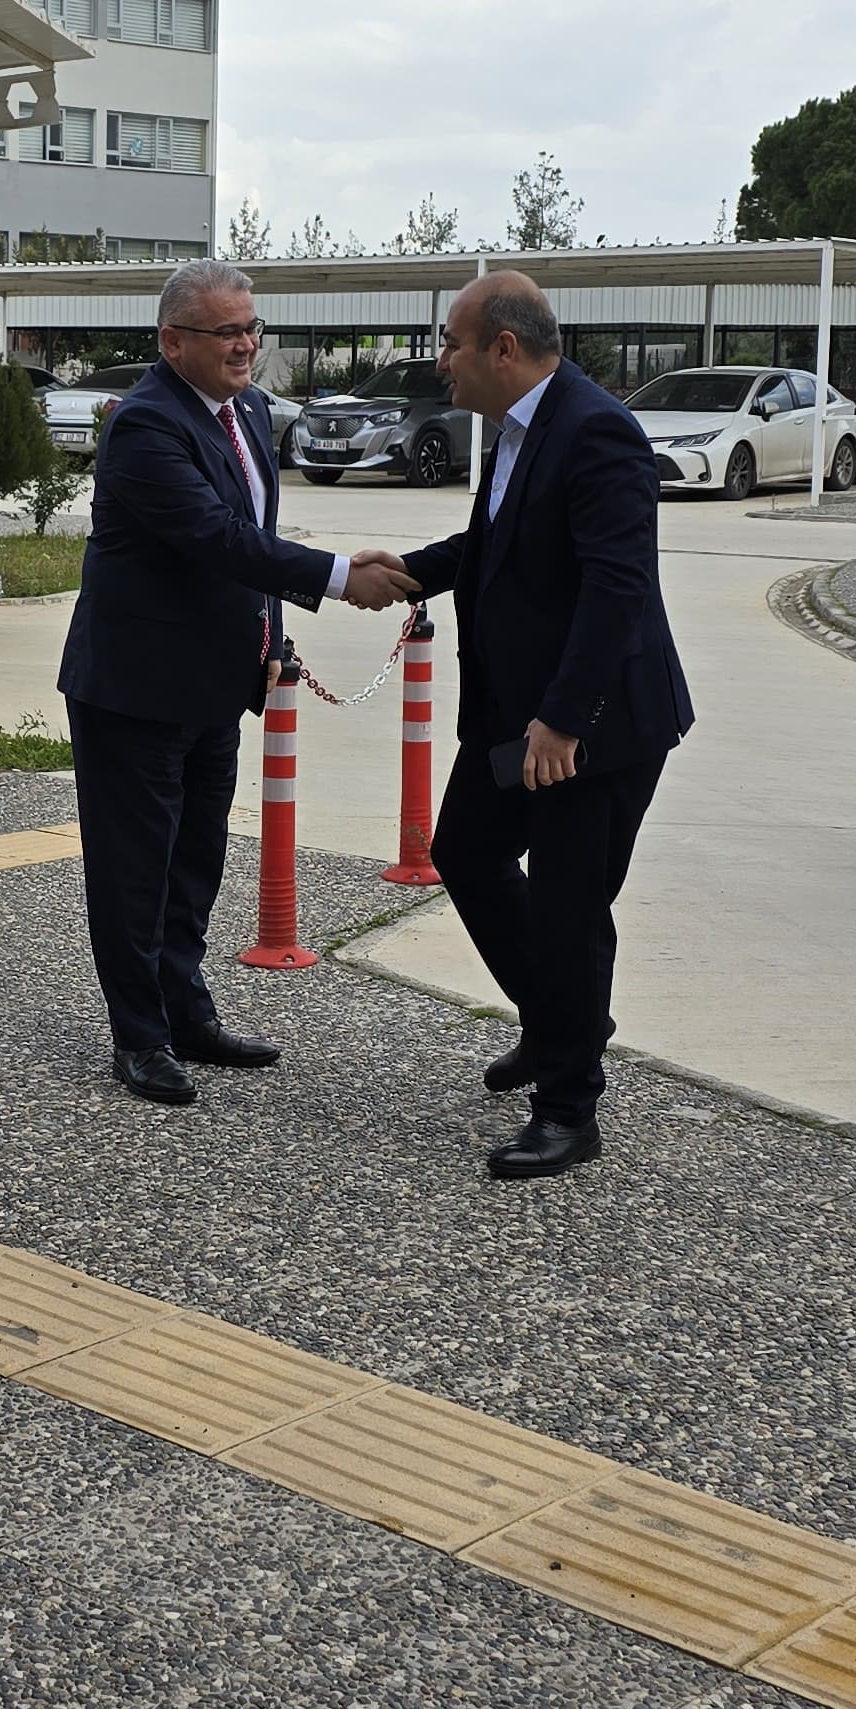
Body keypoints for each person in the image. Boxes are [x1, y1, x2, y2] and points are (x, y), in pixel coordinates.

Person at [355, 272, 692, 1179]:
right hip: (517, 718)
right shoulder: (514, 430)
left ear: (504, 348)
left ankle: (569, 1107)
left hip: (595, 727)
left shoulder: (597, 433)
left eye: (451, 344)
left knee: (572, 905)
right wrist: (413, 571)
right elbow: (496, 546)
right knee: (464, 850)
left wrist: (562, 719)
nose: (440, 363)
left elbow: (616, 588)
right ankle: (557, 1024)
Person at [59, 259, 415, 1106]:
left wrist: (275, 637)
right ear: (172, 340)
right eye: (229, 332)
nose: (248, 346)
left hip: (218, 684)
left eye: (255, 328)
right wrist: (337, 576)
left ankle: (186, 1010)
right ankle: (139, 1038)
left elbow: (256, 536)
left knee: (196, 863)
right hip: (135, 691)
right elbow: (215, 537)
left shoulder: (248, 410)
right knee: (135, 872)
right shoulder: (145, 426)